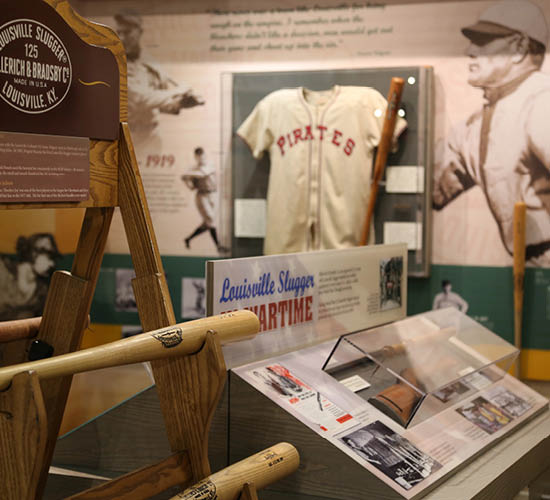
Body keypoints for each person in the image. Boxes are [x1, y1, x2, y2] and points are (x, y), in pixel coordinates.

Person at [433, 0, 550, 266]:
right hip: (525, 264)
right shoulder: (475, 125)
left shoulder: (542, 101)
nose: (469, 51)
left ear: (519, 48)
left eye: (483, 41)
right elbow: (432, 188)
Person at [114, 11, 204, 149]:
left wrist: (180, 102)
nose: (122, 38)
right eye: (119, 33)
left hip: (151, 136)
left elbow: (159, 99)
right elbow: (140, 99)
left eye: (127, 32)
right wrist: (177, 91)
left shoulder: (150, 62)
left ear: (139, 32)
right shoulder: (115, 62)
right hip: (126, 138)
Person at [183, 148, 221, 251]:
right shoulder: (194, 169)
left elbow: (203, 174)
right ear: (196, 157)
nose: (201, 158)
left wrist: (188, 174)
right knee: (211, 220)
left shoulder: (210, 164)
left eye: (202, 155)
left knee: (208, 222)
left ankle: (188, 239)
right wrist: (186, 180)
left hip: (213, 194)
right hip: (202, 196)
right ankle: (218, 246)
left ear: (205, 155)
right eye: (198, 156)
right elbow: (192, 187)